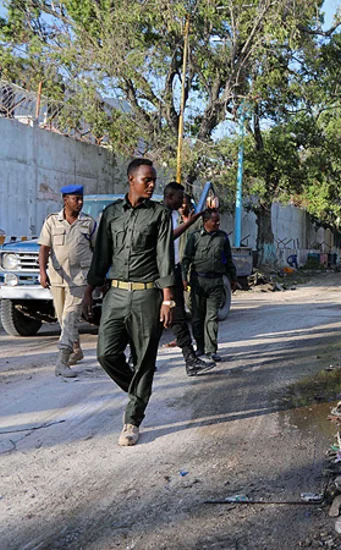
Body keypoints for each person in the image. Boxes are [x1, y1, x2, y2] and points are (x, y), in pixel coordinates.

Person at [83, 158, 174, 447]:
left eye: (153, 181)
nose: (151, 185)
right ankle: (138, 391)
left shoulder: (159, 215)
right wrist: (89, 290)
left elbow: (164, 258)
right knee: (105, 354)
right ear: (131, 180)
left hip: (148, 295)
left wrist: (167, 300)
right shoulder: (111, 215)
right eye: (146, 180)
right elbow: (101, 257)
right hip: (116, 294)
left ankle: (132, 421)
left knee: (144, 358)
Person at [37, 185, 97, 378]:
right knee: (63, 318)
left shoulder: (88, 223)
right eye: (75, 199)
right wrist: (43, 272)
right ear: (65, 199)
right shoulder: (52, 222)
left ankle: (61, 362)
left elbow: (98, 251)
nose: (80, 203)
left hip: (80, 279)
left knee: (71, 317)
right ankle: (76, 350)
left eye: (81, 199)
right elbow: (44, 248)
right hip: (58, 278)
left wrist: (98, 278)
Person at [162, 182, 213, 376]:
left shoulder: (173, 215)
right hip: (162, 272)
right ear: (169, 197)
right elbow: (167, 238)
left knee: (178, 317)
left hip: (173, 269)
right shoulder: (162, 214)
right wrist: (189, 224)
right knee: (166, 316)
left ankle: (190, 359)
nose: (182, 201)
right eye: (179, 197)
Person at [182, 209, 239, 363]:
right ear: (205, 221)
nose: (218, 223)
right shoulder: (194, 237)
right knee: (197, 317)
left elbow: (228, 259)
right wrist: (184, 278)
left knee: (212, 317)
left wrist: (233, 278)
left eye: (218, 220)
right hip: (198, 282)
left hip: (216, 283)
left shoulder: (222, 237)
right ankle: (200, 346)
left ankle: (211, 350)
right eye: (215, 221)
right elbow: (186, 259)